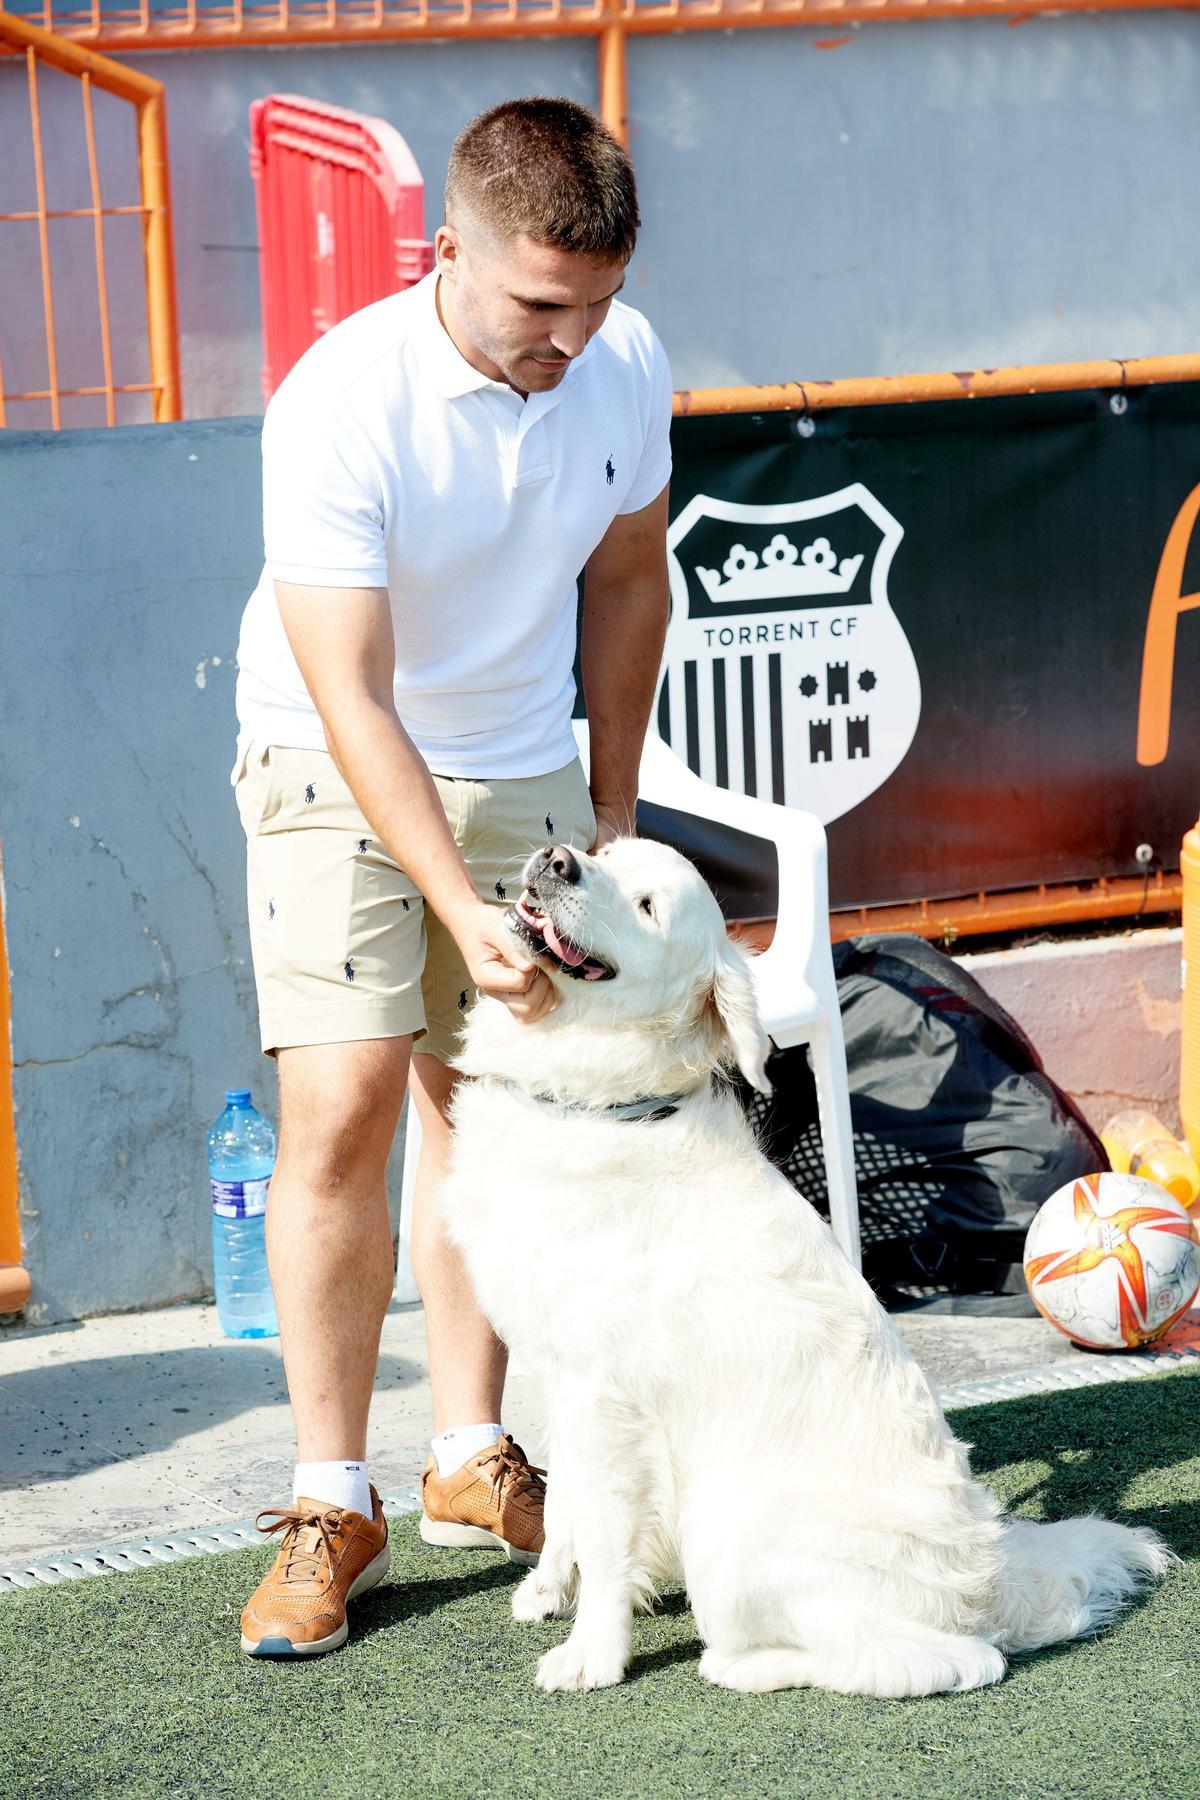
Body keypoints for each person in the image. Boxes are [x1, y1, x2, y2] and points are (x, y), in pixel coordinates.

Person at [230, 96, 671, 1657]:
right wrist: (460, 900)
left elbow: (629, 577)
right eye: (541, 303)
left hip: (523, 761)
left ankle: (469, 1457)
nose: (574, 337)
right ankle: (328, 1494)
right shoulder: (337, 400)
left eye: (599, 301)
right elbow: (349, 691)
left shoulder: (624, 361)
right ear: (449, 254)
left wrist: (608, 812)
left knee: (488, 1113)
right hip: (330, 755)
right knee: (346, 1099)